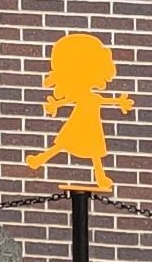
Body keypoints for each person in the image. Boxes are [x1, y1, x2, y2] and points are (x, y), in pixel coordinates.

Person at [24, 28, 130, 192]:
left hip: (89, 124)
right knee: (77, 146)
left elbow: (100, 100)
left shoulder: (91, 97)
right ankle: (99, 177)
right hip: (84, 123)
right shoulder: (88, 96)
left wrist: (120, 102)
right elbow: (72, 100)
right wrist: (55, 105)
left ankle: (41, 159)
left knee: (71, 145)